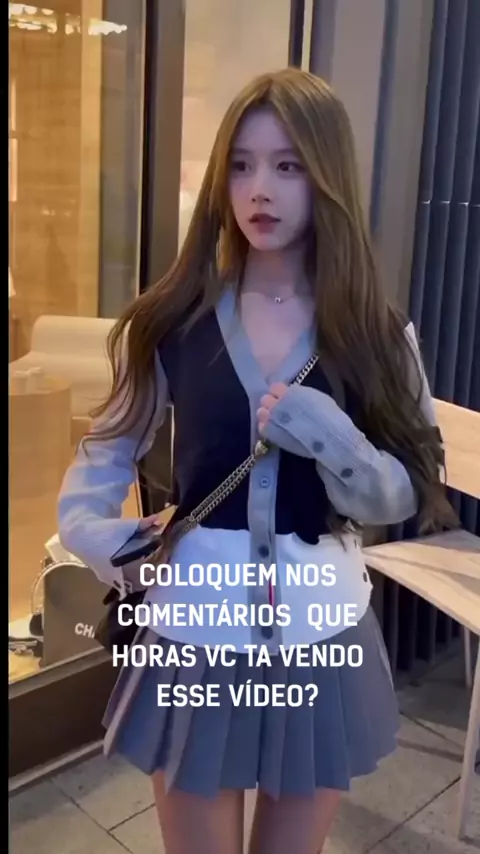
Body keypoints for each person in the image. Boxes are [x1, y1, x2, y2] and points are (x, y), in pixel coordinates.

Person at [57, 68, 456, 854]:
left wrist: (335, 439)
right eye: (240, 165)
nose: (259, 189)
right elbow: (106, 449)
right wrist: (108, 539)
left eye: (287, 165)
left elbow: (409, 486)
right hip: (197, 628)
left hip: (322, 632)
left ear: (327, 176)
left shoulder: (376, 332)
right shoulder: (171, 320)